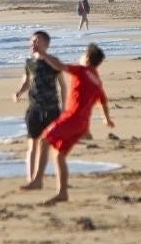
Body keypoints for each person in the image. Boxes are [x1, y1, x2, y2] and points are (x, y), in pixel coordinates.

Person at [27, 42, 114, 204]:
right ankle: (62, 193)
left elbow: (59, 66)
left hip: (71, 119)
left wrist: (43, 54)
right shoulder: (96, 79)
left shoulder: (82, 70)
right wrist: (106, 119)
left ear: (87, 58)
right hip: (82, 124)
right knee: (59, 155)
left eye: (82, 54)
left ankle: (37, 180)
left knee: (44, 140)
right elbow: (103, 101)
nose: (80, 57)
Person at [12, 30, 66, 191]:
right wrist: (18, 92)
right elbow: (26, 81)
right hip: (34, 109)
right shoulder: (29, 63)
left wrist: (64, 108)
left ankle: (42, 178)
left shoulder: (54, 62)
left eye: (37, 41)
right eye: (32, 41)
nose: (33, 43)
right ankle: (32, 179)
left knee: (48, 145)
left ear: (46, 44)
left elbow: (62, 85)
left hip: (51, 109)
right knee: (32, 144)